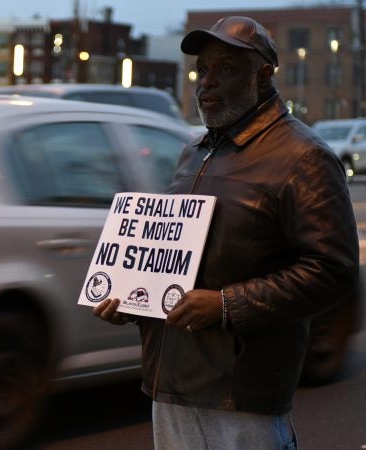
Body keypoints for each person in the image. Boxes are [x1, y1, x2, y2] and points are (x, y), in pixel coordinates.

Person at [93, 16, 359, 450]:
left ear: (264, 75)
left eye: (226, 69)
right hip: (173, 388)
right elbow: (178, 259)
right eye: (203, 70)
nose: (207, 84)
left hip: (242, 397)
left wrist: (224, 305)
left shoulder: (303, 157)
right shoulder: (194, 153)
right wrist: (133, 298)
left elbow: (333, 270)